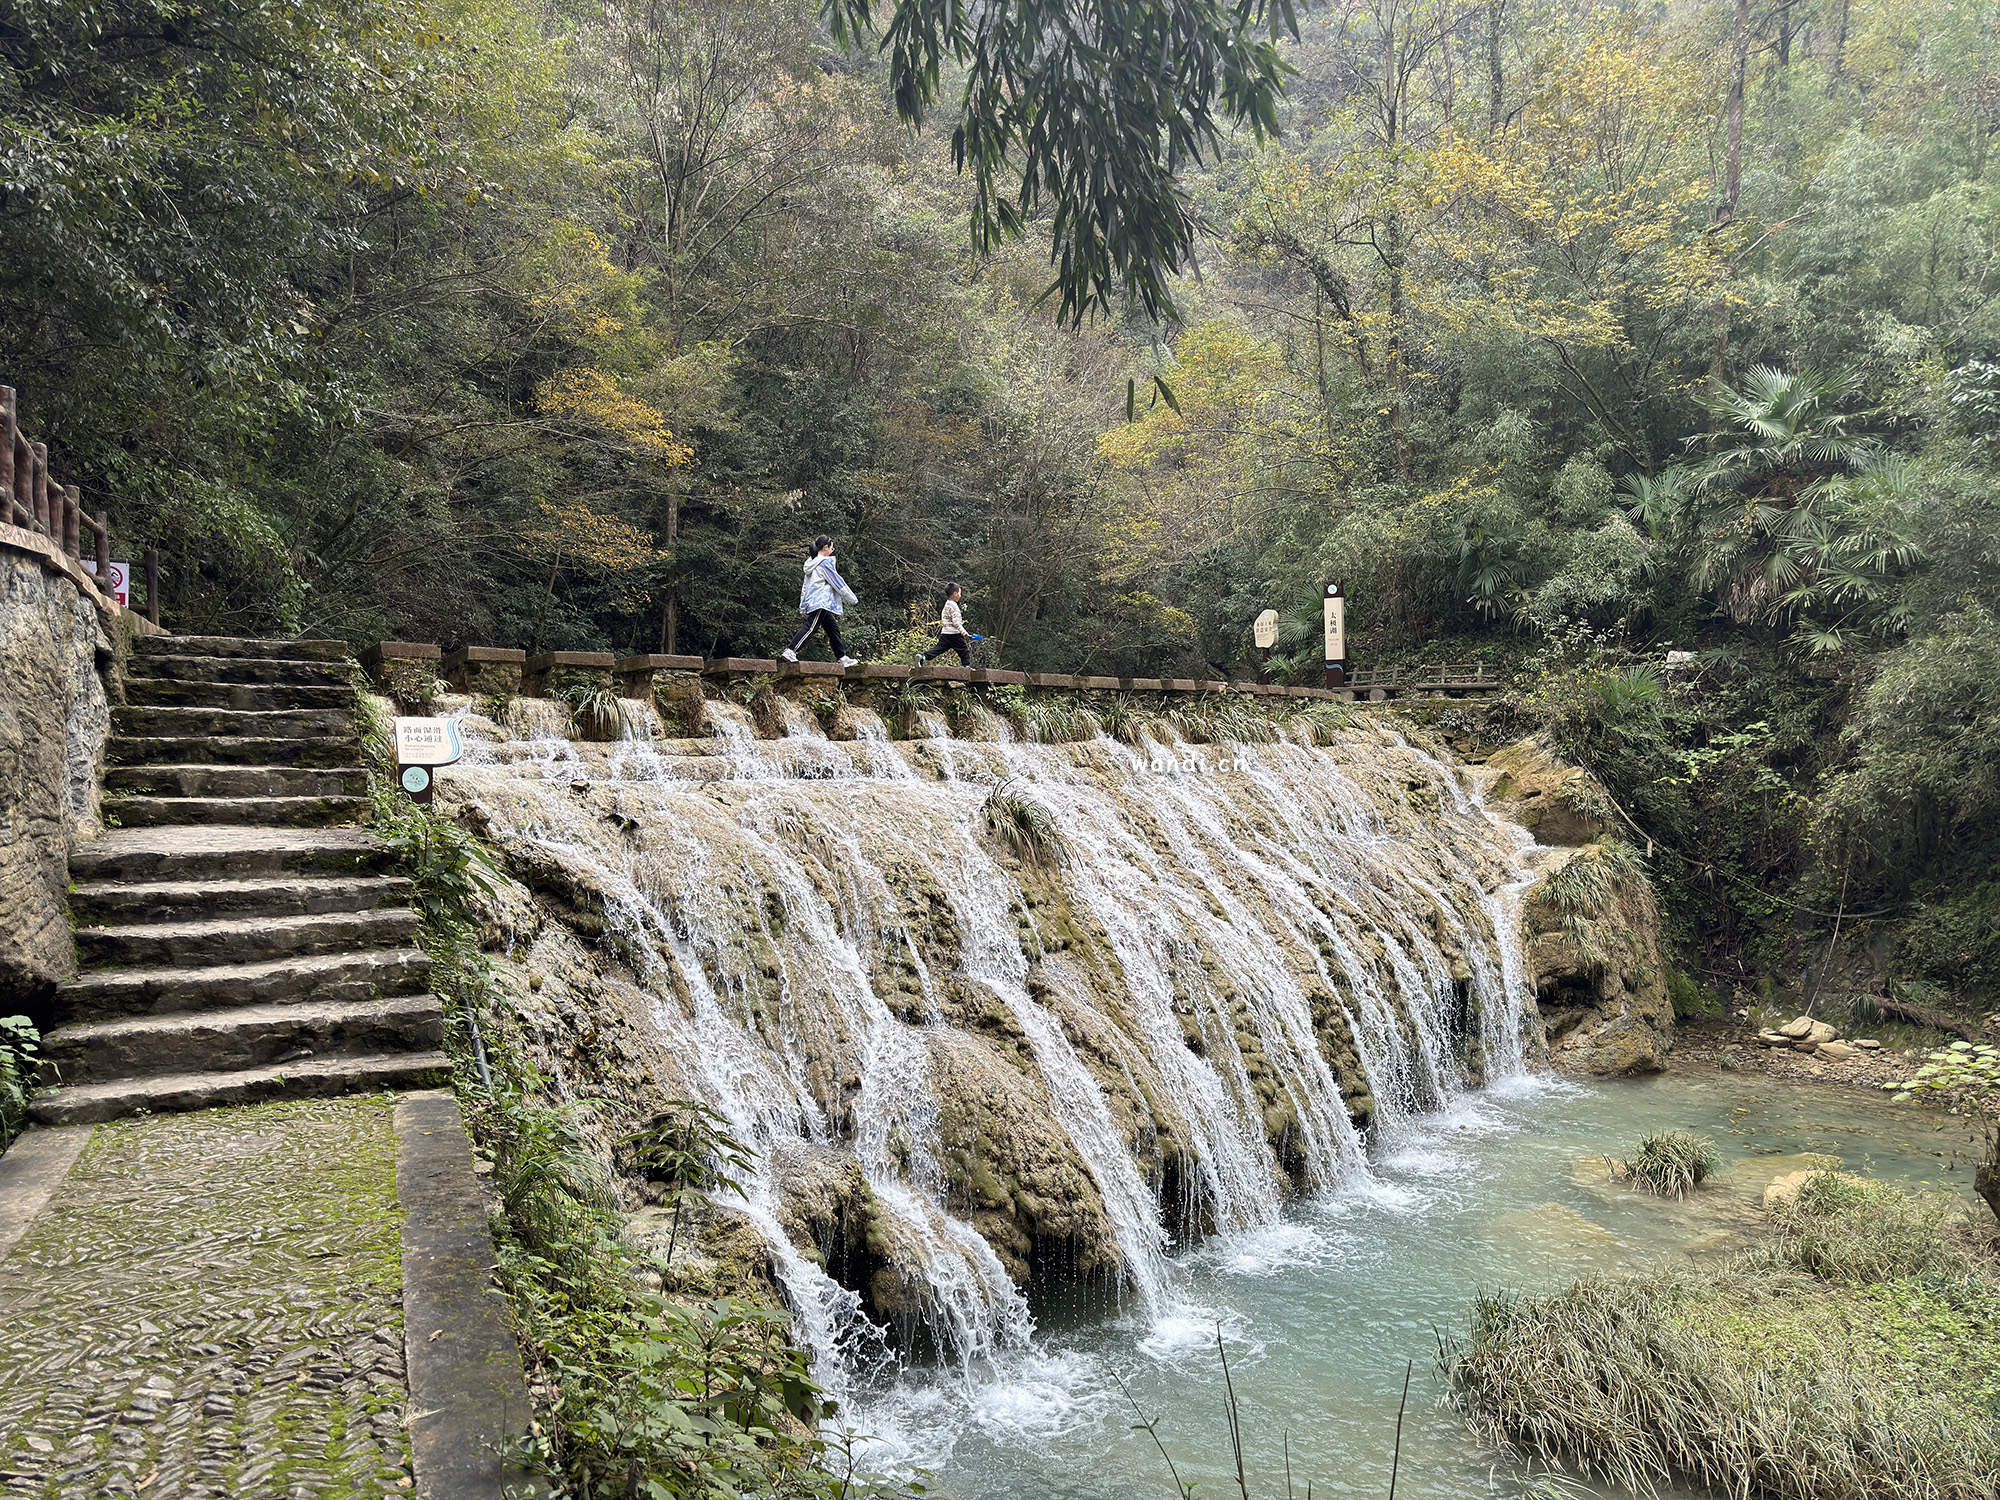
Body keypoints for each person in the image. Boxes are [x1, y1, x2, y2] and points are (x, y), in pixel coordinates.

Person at [783, 535, 860, 666]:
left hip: (815, 601)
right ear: (826, 547)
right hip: (821, 601)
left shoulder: (811, 563)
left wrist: (803, 606)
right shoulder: (824, 563)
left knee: (833, 628)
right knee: (811, 627)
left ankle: (842, 657)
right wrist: (852, 599)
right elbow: (838, 582)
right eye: (832, 547)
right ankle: (791, 650)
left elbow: (805, 586)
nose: (832, 550)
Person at [919, 583, 971, 666]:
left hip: (945, 633)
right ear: (955, 594)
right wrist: (963, 631)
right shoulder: (954, 606)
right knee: (964, 650)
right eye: (960, 593)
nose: (960, 596)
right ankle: (966, 667)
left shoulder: (947, 604)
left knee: (938, 649)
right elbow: (956, 622)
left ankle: (923, 657)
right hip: (954, 634)